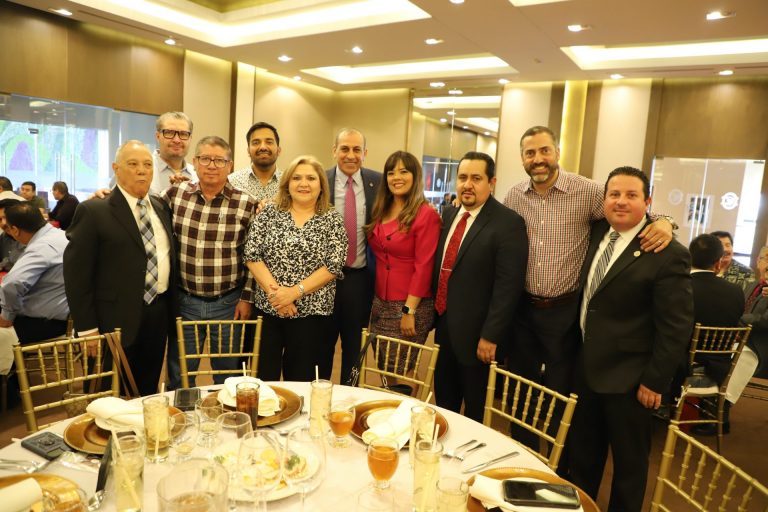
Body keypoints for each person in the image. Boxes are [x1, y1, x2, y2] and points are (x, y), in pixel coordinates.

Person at [502, 126, 673, 453]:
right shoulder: (514, 197)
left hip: (565, 312)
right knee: (520, 391)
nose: (538, 159)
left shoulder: (587, 191)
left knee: (562, 394)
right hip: (523, 309)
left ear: (557, 152)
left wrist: (665, 222)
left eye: (544, 150)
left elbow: (631, 210)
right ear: (522, 158)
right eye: (530, 153)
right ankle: (521, 455)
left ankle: (556, 462)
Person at [569, 166, 693, 512]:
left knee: (629, 468)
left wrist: (655, 380)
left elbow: (676, 326)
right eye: (614, 194)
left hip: (631, 381)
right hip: (587, 370)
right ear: (604, 200)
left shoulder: (667, 252)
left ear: (647, 202)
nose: (621, 201)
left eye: (631, 195)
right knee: (582, 458)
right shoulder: (597, 232)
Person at [64, 140, 177, 395]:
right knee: (106, 395)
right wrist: (87, 328)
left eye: (147, 164)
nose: (142, 170)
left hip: (156, 314)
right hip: (111, 321)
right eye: (133, 164)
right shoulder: (94, 210)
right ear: (116, 168)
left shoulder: (161, 207)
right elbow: (76, 275)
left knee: (147, 391)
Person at [432, 151, 528, 422]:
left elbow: (508, 287)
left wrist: (491, 335)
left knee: (475, 413)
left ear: (491, 183)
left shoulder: (508, 223)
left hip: (479, 338)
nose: (467, 185)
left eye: (476, 178)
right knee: (445, 405)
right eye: (462, 177)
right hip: (445, 327)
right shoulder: (450, 213)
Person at [161, 136, 258, 388]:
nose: (212, 165)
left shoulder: (246, 203)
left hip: (228, 303)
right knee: (181, 374)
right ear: (194, 162)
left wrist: (247, 298)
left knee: (227, 375)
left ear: (230, 165)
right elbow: (143, 210)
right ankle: (181, 411)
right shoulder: (175, 195)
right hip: (185, 301)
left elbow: (253, 256)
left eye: (219, 160)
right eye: (205, 159)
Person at [245, 155, 347, 381]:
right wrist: (278, 297)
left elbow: (333, 265)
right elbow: (252, 255)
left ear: (321, 185)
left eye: (311, 178)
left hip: (312, 316)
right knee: (264, 381)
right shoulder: (269, 213)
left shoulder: (332, 219)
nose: (303, 184)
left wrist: (293, 293)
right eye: (297, 178)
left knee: (303, 381)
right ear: (287, 183)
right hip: (269, 311)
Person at [366, 151, 440, 374]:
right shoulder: (381, 209)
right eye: (391, 173)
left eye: (403, 171)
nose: (396, 177)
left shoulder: (426, 214)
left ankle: (407, 401)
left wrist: (409, 311)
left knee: (402, 369)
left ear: (415, 176)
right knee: (386, 368)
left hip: (409, 304)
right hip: (380, 302)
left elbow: (424, 266)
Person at [326, 128, 381, 382]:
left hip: (360, 279)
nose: (351, 155)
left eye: (357, 149)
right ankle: (320, 394)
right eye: (345, 149)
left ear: (365, 153)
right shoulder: (319, 180)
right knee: (321, 345)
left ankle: (349, 397)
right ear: (334, 150)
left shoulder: (378, 183)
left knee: (354, 348)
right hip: (322, 280)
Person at [684, 233, 746, 436]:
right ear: (718, 262)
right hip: (720, 368)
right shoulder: (736, 291)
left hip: (682, 367)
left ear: (689, 258)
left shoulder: (682, 287)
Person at [0, 202, 69, 343]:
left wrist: (6, 316)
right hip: (64, 315)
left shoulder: (41, 247)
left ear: (15, 230)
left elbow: (12, 283)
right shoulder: (62, 235)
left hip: (42, 324)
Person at [229, 121, 282, 202]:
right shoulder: (232, 182)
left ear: (279, 150)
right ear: (248, 151)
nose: (263, 147)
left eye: (269, 142)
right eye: (256, 143)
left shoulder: (288, 183)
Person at [151, 112, 196, 194]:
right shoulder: (144, 170)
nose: (177, 140)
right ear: (158, 136)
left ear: (190, 138)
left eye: (183, 134)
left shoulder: (196, 175)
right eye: (169, 133)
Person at [742, 246, 768, 379]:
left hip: (760, 350)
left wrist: (737, 318)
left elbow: (764, 320)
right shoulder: (751, 285)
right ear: (758, 262)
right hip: (739, 343)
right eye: (767, 259)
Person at [0, 198, 24, 271]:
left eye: (7, 217)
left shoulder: (32, 238)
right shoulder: (3, 237)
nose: (3, 223)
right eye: (0, 219)